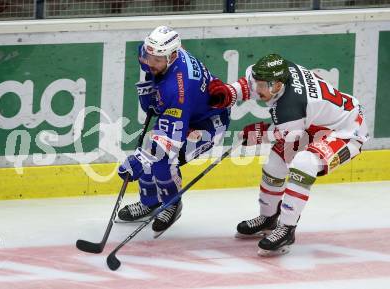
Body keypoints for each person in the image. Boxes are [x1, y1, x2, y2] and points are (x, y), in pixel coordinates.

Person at [208, 53, 369, 256]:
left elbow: (287, 133)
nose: (258, 89)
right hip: (312, 124)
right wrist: (229, 93)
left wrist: (258, 133)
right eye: (258, 83)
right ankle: (268, 218)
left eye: (263, 86)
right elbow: (248, 84)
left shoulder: (291, 107)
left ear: (278, 85)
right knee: (274, 163)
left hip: (347, 130)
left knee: (304, 163)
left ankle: (287, 229)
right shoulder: (274, 75)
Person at [117, 26, 230, 236]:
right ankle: (150, 203)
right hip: (185, 112)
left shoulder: (179, 89)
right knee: (150, 148)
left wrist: (138, 160)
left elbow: (168, 140)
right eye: (149, 57)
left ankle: (171, 203)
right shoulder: (154, 54)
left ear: (173, 56)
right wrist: (150, 92)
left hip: (207, 124)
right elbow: (149, 66)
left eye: (157, 61)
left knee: (161, 159)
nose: (151, 63)